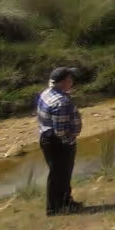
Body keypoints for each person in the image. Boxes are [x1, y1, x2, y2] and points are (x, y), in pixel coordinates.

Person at [36, 66, 82, 216]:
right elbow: (61, 132)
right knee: (59, 175)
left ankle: (66, 202)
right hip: (58, 143)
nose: (72, 82)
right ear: (62, 82)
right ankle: (55, 209)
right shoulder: (61, 102)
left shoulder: (46, 93)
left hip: (47, 139)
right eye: (70, 79)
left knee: (61, 174)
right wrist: (70, 142)